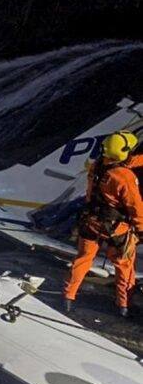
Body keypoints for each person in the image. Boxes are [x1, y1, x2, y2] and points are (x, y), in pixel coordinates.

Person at [64, 130, 142, 317]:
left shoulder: (97, 166)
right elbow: (135, 206)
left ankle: (68, 296)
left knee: (83, 259)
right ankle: (124, 305)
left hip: (91, 222)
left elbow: (124, 162)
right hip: (117, 229)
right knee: (124, 265)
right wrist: (141, 230)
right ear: (123, 152)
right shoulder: (125, 178)